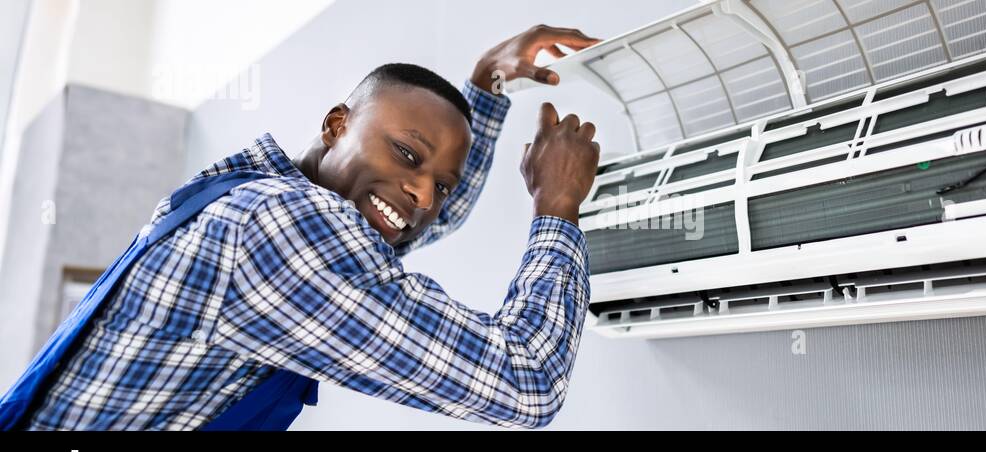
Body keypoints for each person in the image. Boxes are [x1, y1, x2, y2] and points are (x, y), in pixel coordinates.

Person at [4, 25, 602, 430]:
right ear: (337, 124)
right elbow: (527, 384)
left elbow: (419, 222)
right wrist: (558, 206)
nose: (424, 195)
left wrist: (486, 85)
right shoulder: (282, 230)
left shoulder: (250, 192)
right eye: (408, 154)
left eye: (440, 185)